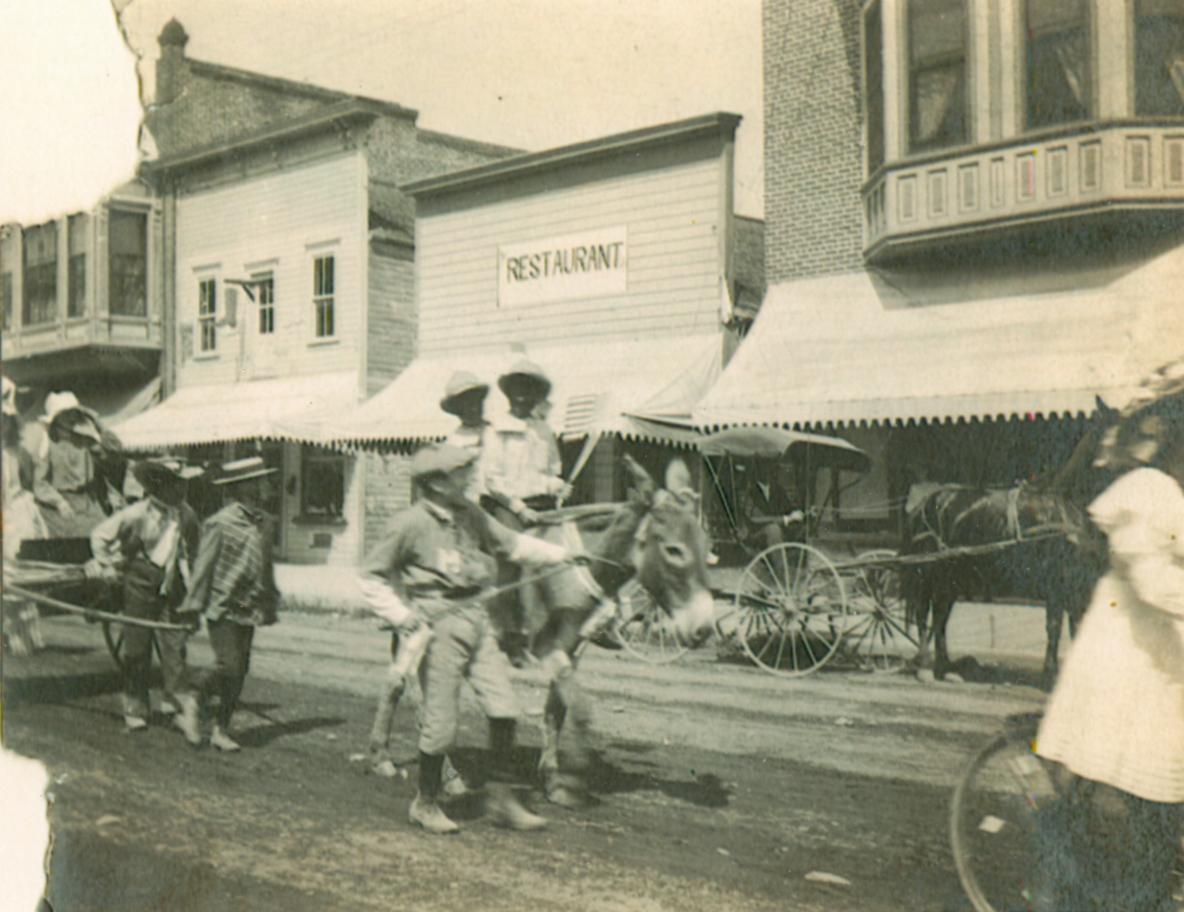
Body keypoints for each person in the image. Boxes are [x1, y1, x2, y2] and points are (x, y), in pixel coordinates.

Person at [358, 443, 585, 834]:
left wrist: (562, 556)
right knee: (441, 724)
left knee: (504, 709)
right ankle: (425, 802)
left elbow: (512, 545)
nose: (469, 476)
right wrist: (401, 615)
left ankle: (501, 802)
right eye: (461, 471)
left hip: (477, 618)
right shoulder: (409, 523)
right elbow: (370, 575)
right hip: (438, 623)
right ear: (438, 483)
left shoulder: (471, 515)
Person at [1033, 410, 1184, 912]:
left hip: (1163, 650)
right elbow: (1152, 581)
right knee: (1139, 788)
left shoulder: (1170, 489)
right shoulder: (1148, 490)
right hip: (1129, 655)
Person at [360, 372, 492, 782]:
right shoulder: (448, 446)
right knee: (417, 660)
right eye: (465, 401)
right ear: (456, 408)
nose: (474, 406)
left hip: (486, 523)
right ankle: (388, 745)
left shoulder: (499, 438)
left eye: (477, 398)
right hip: (453, 538)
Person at [89, 458, 203, 740]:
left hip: (171, 583)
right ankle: (136, 708)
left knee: (175, 645)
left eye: (185, 483)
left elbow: (194, 552)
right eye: (178, 484)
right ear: (160, 486)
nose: (184, 489)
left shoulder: (187, 515)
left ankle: (175, 704)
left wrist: (193, 589)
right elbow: (100, 535)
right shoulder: (137, 514)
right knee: (137, 648)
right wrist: (105, 565)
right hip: (139, 580)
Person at [182, 456, 280, 752]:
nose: (265, 486)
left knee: (241, 671)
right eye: (260, 481)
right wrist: (192, 607)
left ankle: (220, 730)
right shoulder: (219, 523)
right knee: (229, 666)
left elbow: (266, 565)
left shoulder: (266, 523)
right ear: (244, 487)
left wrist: (270, 599)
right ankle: (195, 696)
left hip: (250, 607)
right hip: (222, 605)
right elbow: (203, 567)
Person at [481, 360, 572, 659]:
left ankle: (557, 625)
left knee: (566, 552)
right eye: (518, 390)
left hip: (542, 504)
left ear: (536, 394)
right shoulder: (496, 430)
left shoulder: (544, 431)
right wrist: (519, 508)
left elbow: (550, 472)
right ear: (509, 394)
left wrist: (557, 486)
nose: (523, 396)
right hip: (507, 505)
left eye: (529, 389)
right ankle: (511, 632)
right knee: (516, 559)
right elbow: (493, 479)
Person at [32, 391, 123, 538]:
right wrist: (59, 502)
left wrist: (95, 421)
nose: (71, 417)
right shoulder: (47, 445)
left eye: (73, 413)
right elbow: (40, 484)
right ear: (56, 419)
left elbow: (114, 451)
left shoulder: (85, 440)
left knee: (108, 534)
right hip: (62, 505)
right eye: (66, 413)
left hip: (89, 503)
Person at [2, 376, 49, 656]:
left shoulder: (18, 454)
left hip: (16, 517)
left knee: (17, 574)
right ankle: (10, 631)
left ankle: (23, 634)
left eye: (5, 420)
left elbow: (27, 487)